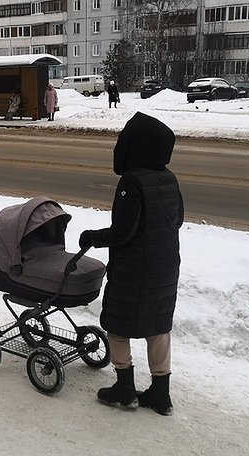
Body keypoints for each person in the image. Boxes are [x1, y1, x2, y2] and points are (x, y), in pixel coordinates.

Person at [79, 112, 183, 416]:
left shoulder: (132, 181)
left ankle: (124, 388)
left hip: (136, 269)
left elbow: (123, 232)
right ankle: (160, 394)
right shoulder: (168, 178)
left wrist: (92, 237)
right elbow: (176, 220)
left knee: (117, 324)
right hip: (165, 266)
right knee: (157, 325)